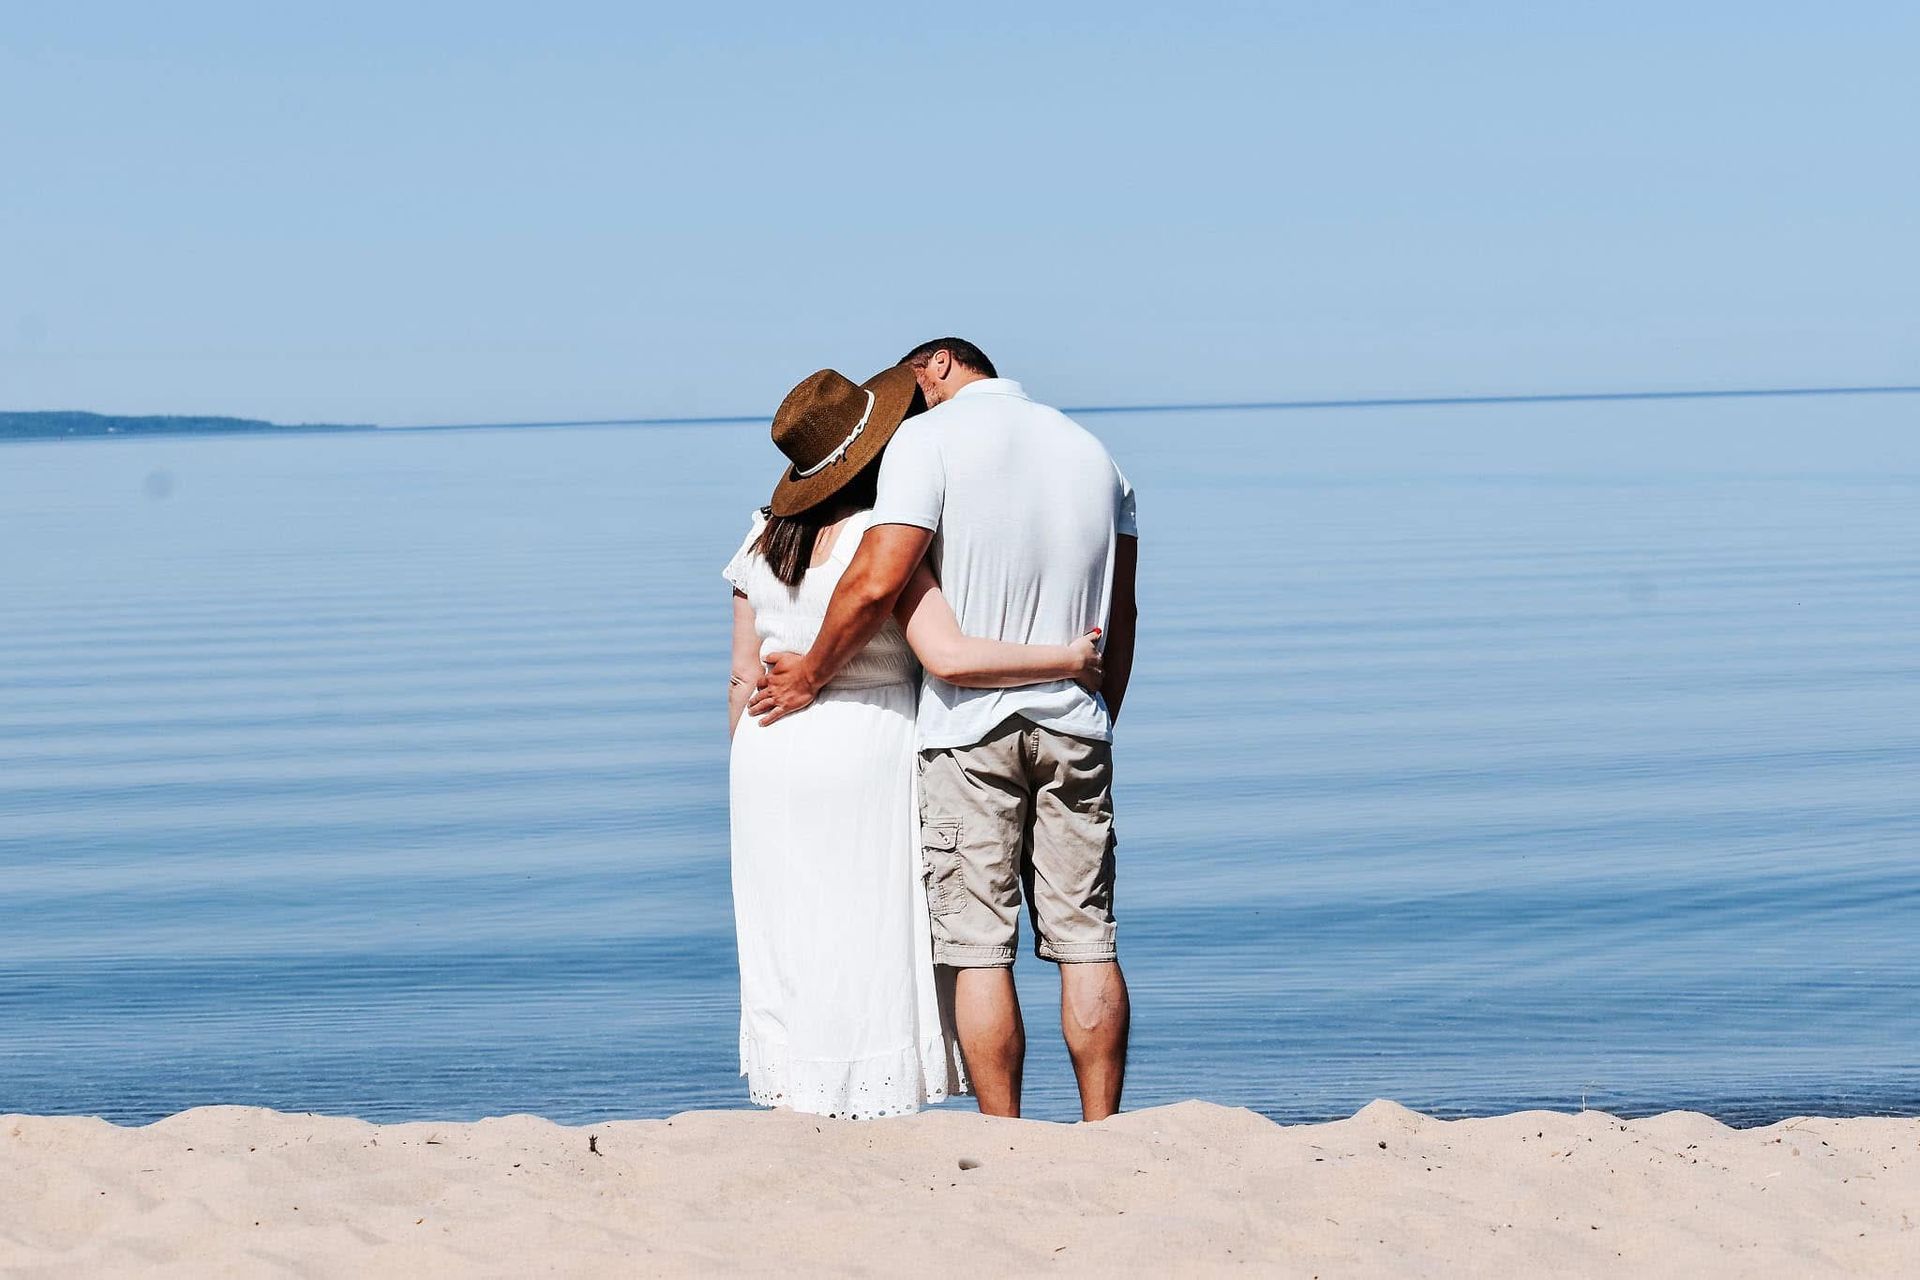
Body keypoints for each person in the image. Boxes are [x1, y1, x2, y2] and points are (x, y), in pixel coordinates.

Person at [751, 339, 1139, 1121]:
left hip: (969, 731)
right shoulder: (1098, 456)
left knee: (978, 946)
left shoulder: (930, 443)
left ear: (938, 365)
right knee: (1086, 939)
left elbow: (876, 577)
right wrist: (1098, 716)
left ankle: (1006, 1135)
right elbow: (1122, 613)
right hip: (1076, 722)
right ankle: (1106, 1135)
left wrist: (813, 673)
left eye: (911, 387)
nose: (909, 406)